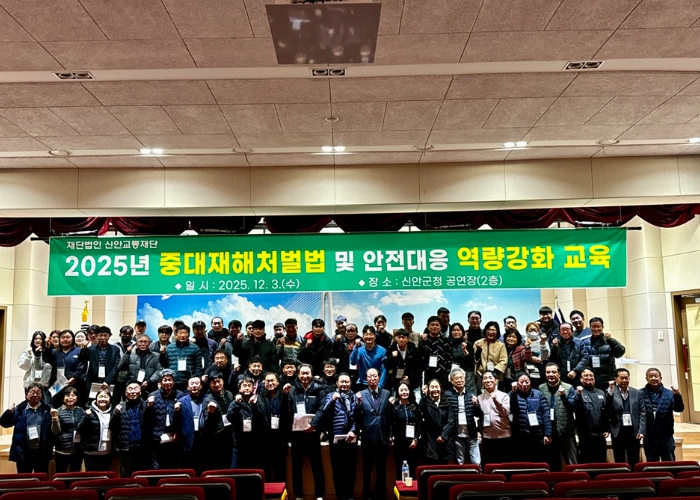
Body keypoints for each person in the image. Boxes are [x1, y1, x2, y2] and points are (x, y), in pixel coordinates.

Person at [312, 373, 358, 500]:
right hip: (335, 439)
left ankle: (350, 496)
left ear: (350, 383)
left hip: (351, 438)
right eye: (341, 382)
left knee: (351, 471)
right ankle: (340, 496)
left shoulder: (355, 397)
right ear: (337, 383)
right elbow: (324, 413)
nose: (344, 384)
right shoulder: (330, 396)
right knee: (337, 471)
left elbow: (358, 417)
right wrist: (332, 400)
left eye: (347, 382)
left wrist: (353, 430)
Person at [286, 363, 326, 500]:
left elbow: (322, 409)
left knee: (317, 466)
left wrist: (313, 425)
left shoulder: (319, 389)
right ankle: (298, 495)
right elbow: (287, 411)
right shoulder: (292, 390)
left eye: (307, 373)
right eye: (302, 373)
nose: (305, 376)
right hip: (297, 435)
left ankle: (319, 494)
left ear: (312, 374)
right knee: (296, 467)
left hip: (313, 433)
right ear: (298, 375)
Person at [1, 383, 53, 473]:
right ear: (26, 394)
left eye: (38, 392)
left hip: (41, 452)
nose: (35, 395)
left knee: (41, 478)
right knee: (24, 478)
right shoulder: (19, 409)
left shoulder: (47, 410)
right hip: (23, 452)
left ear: (41, 395)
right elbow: (4, 423)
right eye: (32, 392)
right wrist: (8, 412)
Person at [357, 368, 391, 500]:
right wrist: (358, 403)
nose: (372, 378)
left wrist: (390, 434)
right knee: (367, 470)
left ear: (379, 377)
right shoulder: (361, 394)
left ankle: (381, 495)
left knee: (382, 470)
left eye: (375, 376)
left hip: (383, 437)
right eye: (369, 376)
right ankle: (366, 495)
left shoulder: (386, 393)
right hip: (368, 437)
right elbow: (357, 416)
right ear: (366, 379)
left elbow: (389, 416)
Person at [640, 367, 684, 461]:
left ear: (660, 378)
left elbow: (679, 409)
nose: (653, 378)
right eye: (651, 376)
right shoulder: (640, 393)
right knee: (652, 463)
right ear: (646, 378)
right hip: (649, 435)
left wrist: (677, 395)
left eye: (656, 376)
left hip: (666, 434)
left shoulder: (669, 393)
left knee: (669, 461)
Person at [538, 363, 577, 470]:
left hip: (566, 431)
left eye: (554, 372)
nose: (551, 374)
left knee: (572, 463)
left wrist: (563, 396)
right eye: (548, 372)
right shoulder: (541, 388)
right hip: (549, 432)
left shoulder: (568, 388)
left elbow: (572, 407)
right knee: (552, 464)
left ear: (559, 374)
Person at [606, 368, 645, 469]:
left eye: (626, 378)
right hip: (618, 430)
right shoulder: (610, 392)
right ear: (616, 379)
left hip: (633, 430)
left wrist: (641, 430)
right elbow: (607, 408)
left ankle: (634, 477)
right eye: (621, 378)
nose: (624, 380)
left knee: (634, 459)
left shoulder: (637, 393)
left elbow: (642, 412)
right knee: (619, 459)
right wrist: (610, 392)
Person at [146, 369, 184, 469]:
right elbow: (146, 418)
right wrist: (149, 406)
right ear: (160, 382)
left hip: (174, 435)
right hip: (157, 436)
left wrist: (178, 410)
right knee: (156, 467)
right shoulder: (153, 395)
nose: (167, 382)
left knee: (172, 466)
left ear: (174, 381)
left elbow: (184, 418)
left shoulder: (180, 395)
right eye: (165, 380)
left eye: (169, 380)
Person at [509, 373, 552, 463]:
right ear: (517, 382)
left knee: (538, 461)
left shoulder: (538, 394)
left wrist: (547, 433)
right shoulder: (511, 394)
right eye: (521, 382)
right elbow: (511, 410)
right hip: (520, 435)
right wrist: (513, 393)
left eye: (527, 382)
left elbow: (545, 414)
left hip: (537, 434)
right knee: (523, 462)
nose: (524, 384)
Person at [112, 381, 150, 477]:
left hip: (142, 447)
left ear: (140, 392)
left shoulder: (146, 406)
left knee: (141, 474)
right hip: (125, 447)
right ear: (125, 393)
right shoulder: (119, 407)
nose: (133, 392)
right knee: (126, 473)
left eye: (135, 389)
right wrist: (116, 414)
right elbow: (112, 426)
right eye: (130, 389)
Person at [571, 368, 609, 463]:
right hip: (585, 437)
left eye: (591, 375)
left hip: (600, 437)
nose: (589, 378)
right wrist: (578, 396)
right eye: (586, 376)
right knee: (586, 464)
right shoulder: (576, 393)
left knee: (601, 464)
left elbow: (606, 412)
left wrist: (607, 428)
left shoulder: (601, 393)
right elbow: (573, 408)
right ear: (581, 379)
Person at [257, 372, 290, 483]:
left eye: (272, 380)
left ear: (277, 382)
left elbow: (288, 413)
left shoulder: (283, 395)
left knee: (280, 469)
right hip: (265, 440)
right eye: (268, 381)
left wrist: (285, 395)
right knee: (265, 469)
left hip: (280, 439)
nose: (270, 383)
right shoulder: (260, 397)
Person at [474, 371, 511, 465]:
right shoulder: (479, 398)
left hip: (504, 436)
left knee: (504, 464)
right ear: (482, 382)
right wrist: (476, 405)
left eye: (490, 378)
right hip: (487, 436)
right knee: (490, 464)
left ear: (496, 380)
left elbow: (505, 413)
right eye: (485, 378)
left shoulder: (504, 395)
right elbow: (479, 416)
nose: (488, 380)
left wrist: (495, 399)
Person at [228, 377, 265, 469]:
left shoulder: (259, 401)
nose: (247, 388)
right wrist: (237, 404)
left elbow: (262, 419)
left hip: (254, 442)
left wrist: (254, 406)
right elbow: (230, 418)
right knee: (236, 470)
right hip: (239, 442)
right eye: (244, 386)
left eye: (249, 385)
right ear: (239, 388)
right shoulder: (234, 403)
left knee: (251, 469)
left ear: (253, 388)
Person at [445, 368, 479, 465]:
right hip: (456, 432)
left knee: (476, 462)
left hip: (471, 431)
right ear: (451, 380)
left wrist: (476, 405)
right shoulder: (447, 395)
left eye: (461, 378)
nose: (459, 380)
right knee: (460, 462)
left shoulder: (472, 394)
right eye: (456, 378)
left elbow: (479, 414)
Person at [44, 329, 86, 405]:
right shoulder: (54, 352)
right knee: (57, 405)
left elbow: (82, 366)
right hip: (58, 384)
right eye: (63, 337)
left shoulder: (79, 351)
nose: (65, 339)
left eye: (68, 337)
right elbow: (46, 361)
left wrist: (75, 377)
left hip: (74, 383)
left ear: (73, 339)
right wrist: (47, 348)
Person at [79, 325, 121, 400]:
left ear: (109, 336)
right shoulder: (90, 349)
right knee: (92, 400)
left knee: (109, 400)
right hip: (93, 380)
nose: (103, 338)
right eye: (100, 335)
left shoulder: (115, 349)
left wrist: (108, 381)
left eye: (105, 335)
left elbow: (116, 366)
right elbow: (82, 360)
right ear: (97, 336)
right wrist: (83, 349)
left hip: (110, 380)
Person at [203, 372, 236, 470]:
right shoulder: (207, 400)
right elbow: (207, 424)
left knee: (229, 465)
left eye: (219, 381)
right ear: (210, 384)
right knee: (218, 467)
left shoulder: (229, 394)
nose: (217, 384)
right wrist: (210, 412)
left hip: (230, 435)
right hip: (217, 438)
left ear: (223, 381)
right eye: (214, 382)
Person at [583, 317, 625, 390]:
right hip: (590, 380)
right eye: (593, 327)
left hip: (607, 380)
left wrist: (611, 340)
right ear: (590, 328)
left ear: (602, 327)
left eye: (598, 326)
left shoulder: (609, 341)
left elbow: (619, 353)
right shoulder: (584, 342)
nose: (596, 329)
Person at [389, 381, 421, 479]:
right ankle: (400, 488)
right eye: (401, 390)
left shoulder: (415, 406)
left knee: (413, 467)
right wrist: (391, 435)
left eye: (406, 390)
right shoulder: (394, 406)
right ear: (398, 392)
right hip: (399, 442)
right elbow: (390, 422)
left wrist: (416, 439)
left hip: (412, 442)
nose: (404, 392)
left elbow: (419, 423)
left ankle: (413, 488)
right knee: (400, 468)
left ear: (410, 391)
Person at [50, 386, 85, 472]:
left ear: (77, 398)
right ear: (63, 398)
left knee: (75, 476)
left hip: (77, 451)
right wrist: (54, 418)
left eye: (73, 395)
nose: (70, 398)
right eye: (67, 395)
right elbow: (55, 431)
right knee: (61, 475)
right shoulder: (58, 411)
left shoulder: (81, 410)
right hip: (61, 450)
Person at [419, 378, 453, 465]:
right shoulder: (425, 402)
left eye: (437, 387)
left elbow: (450, 421)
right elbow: (422, 410)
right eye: (432, 387)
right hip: (430, 441)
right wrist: (424, 396)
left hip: (444, 440)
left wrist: (443, 436)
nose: (435, 389)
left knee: (443, 468)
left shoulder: (446, 402)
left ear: (441, 388)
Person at [178, 376, 207, 475]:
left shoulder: (207, 399)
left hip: (204, 438)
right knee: (189, 468)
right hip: (188, 439)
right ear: (188, 387)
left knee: (204, 468)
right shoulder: (182, 401)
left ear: (201, 386)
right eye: (192, 384)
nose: (194, 386)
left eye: (197, 383)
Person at [79, 388, 114, 471]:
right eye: (100, 396)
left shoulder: (113, 413)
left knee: (104, 476)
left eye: (106, 397)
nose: (103, 399)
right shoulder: (88, 411)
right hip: (91, 452)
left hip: (107, 452)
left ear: (109, 399)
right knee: (91, 476)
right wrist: (86, 417)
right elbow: (79, 429)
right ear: (96, 398)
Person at [164, 324, 203, 392]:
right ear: (176, 335)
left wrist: (197, 381)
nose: (182, 335)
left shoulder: (195, 348)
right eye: (180, 333)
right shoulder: (169, 348)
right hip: (172, 383)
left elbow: (198, 368)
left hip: (189, 384)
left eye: (185, 333)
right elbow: (165, 365)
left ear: (188, 335)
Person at [383, 329, 422, 396]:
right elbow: (386, 365)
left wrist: (410, 377)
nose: (401, 340)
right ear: (396, 338)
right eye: (399, 337)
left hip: (412, 382)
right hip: (395, 383)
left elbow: (420, 366)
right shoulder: (391, 349)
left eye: (403, 337)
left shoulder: (414, 350)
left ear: (407, 339)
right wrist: (392, 357)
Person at [550, 322, 589, 387]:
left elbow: (585, 358)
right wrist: (554, 348)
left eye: (567, 329)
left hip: (577, 376)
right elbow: (552, 361)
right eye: (563, 330)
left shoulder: (579, 342)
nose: (565, 332)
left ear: (572, 331)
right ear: (559, 332)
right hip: (561, 378)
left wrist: (576, 371)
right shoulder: (555, 343)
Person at [350, 325, 387, 389]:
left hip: (377, 384)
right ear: (363, 336)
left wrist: (380, 385)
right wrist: (355, 346)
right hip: (362, 384)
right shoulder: (359, 350)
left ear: (375, 336)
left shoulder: (382, 351)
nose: (368, 337)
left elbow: (384, 370)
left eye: (371, 334)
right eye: (366, 334)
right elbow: (353, 362)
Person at [19, 331, 51, 402]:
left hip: (44, 383)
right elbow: (24, 367)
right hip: (30, 383)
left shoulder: (47, 352)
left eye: (40, 339)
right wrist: (29, 356)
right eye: (36, 338)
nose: (38, 340)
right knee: (31, 403)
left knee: (44, 403)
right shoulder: (28, 351)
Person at [419, 316, 452, 388]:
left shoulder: (445, 341)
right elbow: (420, 357)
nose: (434, 327)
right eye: (432, 325)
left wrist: (448, 372)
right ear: (428, 326)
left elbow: (449, 358)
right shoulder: (423, 341)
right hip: (428, 373)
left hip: (443, 373)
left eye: (437, 325)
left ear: (440, 327)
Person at [474, 322, 507, 386]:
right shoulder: (478, 343)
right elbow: (474, 360)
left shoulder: (501, 345)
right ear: (485, 330)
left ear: (497, 332)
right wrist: (478, 351)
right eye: (489, 329)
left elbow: (504, 361)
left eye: (493, 330)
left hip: (496, 376)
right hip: (481, 375)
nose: (491, 332)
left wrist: (492, 373)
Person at [448, 323, 476, 392]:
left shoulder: (467, 344)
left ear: (462, 332)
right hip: (453, 372)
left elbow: (471, 361)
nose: (456, 332)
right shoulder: (449, 344)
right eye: (454, 330)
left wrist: (465, 351)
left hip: (467, 373)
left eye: (458, 330)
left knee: (469, 393)